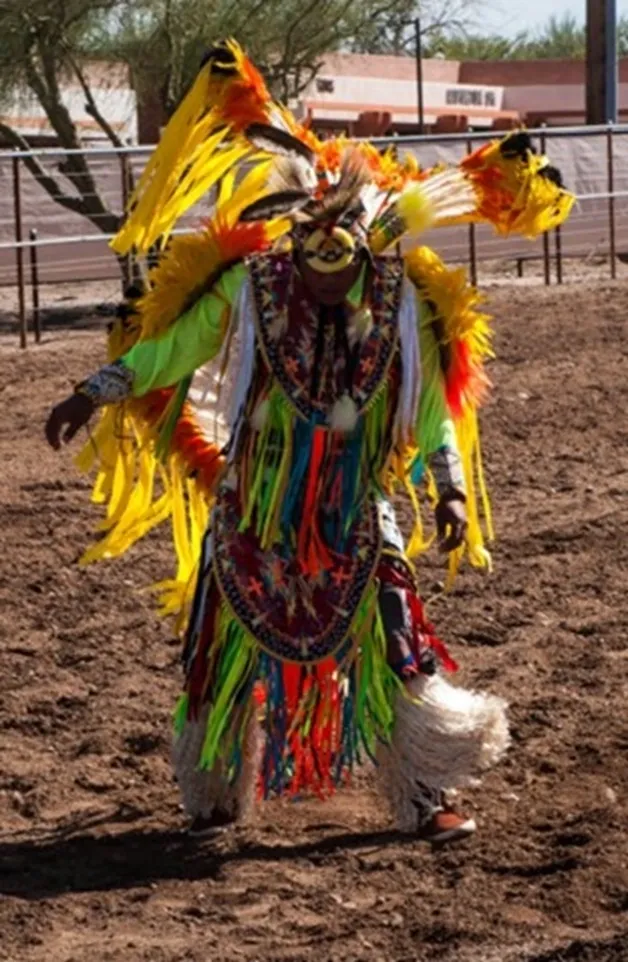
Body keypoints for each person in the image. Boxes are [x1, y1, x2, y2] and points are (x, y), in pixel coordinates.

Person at [45, 41, 574, 845]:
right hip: (255, 504)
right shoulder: (250, 286)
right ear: (294, 246)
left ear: (365, 249)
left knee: (393, 629)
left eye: (340, 268)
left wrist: (451, 489)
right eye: (311, 265)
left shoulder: (401, 303)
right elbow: (172, 353)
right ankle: (217, 786)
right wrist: (96, 388)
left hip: (354, 506)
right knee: (222, 639)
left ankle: (423, 792)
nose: (324, 282)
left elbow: (428, 411)